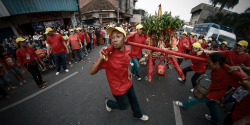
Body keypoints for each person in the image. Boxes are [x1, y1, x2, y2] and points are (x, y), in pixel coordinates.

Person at [89, 26, 149, 121]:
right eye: (112, 37)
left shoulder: (127, 50)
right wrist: (101, 58)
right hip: (117, 88)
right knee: (124, 106)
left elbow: (125, 62)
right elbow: (91, 71)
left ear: (125, 39)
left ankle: (138, 114)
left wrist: (128, 70)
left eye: (118, 36)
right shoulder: (108, 55)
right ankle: (109, 103)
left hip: (127, 82)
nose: (114, 40)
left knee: (134, 99)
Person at [175, 52, 233, 125]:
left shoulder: (227, 71)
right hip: (213, 91)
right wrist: (202, 51)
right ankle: (216, 120)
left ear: (217, 63)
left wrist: (239, 68)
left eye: (209, 62)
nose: (208, 64)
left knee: (196, 98)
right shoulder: (216, 68)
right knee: (212, 105)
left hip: (216, 93)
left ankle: (183, 104)